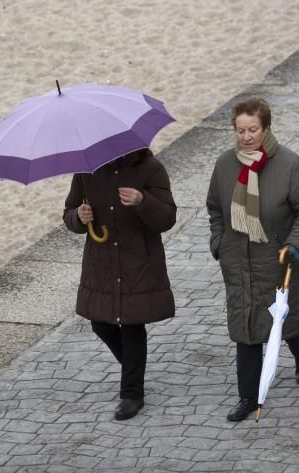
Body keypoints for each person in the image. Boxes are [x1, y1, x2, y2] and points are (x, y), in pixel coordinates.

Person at [206, 97, 299, 422]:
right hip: (238, 264)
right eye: (240, 130)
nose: (246, 136)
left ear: (266, 128)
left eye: (252, 129)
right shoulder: (225, 164)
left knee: (284, 322)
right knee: (247, 330)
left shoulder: (289, 164)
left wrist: (295, 244)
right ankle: (248, 397)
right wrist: (219, 242)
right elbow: (215, 207)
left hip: (277, 261)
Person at [62, 148, 177, 421]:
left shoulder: (150, 168)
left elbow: (167, 218)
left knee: (132, 323)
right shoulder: (86, 170)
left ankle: (132, 394)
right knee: (100, 322)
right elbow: (68, 213)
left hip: (138, 260)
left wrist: (142, 200)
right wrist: (79, 216)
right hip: (101, 262)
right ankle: (134, 370)